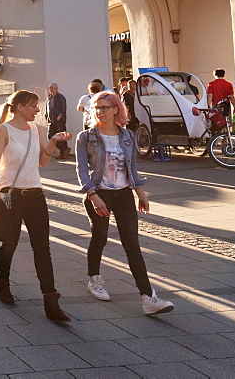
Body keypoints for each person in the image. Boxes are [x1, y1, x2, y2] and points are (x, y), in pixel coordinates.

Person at [76, 90, 174, 315]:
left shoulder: (127, 135)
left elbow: (132, 167)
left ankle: (148, 297)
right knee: (99, 237)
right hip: (98, 193)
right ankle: (94, 279)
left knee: (132, 244)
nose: (100, 111)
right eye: (97, 107)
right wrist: (93, 194)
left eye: (105, 107)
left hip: (123, 194)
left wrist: (141, 192)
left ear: (116, 109)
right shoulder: (86, 137)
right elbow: (81, 169)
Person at [0, 89, 72, 322]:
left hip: (35, 193)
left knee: (42, 247)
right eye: (34, 106)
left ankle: (50, 300)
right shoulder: (4, 130)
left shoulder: (36, 130)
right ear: (20, 107)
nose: (37, 110)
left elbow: (43, 162)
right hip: (10, 194)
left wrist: (54, 141)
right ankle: (2, 281)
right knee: (10, 243)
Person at [44, 84, 69, 159]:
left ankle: (63, 153)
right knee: (50, 136)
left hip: (59, 120)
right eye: (50, 88)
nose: (51, 89)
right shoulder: (49, 98)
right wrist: (46, 116)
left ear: (57, 88)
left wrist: (60, 115)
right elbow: (47, 109)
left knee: (61, 136)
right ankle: (65, 149)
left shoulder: (60, 97)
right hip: (51, 120)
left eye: (52, 88)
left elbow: (63, 107)